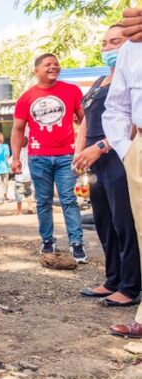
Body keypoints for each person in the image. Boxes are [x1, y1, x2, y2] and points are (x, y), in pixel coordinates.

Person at [73, 25, 139, 307]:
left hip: (116, 155)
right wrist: (78, 157)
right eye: (104, 43)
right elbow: (85, 122)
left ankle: (130, 285)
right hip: (92, 160)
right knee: (103, 221)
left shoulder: (132, 79)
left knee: (124, 223)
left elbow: (133, 125)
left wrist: (101, 148)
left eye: (115, 42)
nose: (108, 48)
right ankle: (112, 278)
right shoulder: (101, 80)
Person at [9, 53, 87, 263]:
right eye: (48, 64)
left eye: (56, 64)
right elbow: (17, 129)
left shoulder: (71, 90)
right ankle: (47, 241)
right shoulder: (26, 97)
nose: (54, 67)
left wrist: (82, 149)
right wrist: (15, 157)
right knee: (42, 201)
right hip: (38, 157)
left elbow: (85, 120)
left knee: (69, 199)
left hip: (67, 156)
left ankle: (76, 243)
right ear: (36, 71)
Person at [105, 21, 142, 338]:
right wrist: (128, 149)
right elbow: (116, 104)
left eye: (111, 41)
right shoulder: (132, 48)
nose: (109, 47)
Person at [13, 137, 34, 215]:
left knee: (18, 193)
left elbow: (11, 162)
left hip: (20, 176)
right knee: (28, 192)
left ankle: (19, 210)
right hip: (28, 176)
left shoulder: (17, 153)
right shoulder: (29, 152)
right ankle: (30, 207)